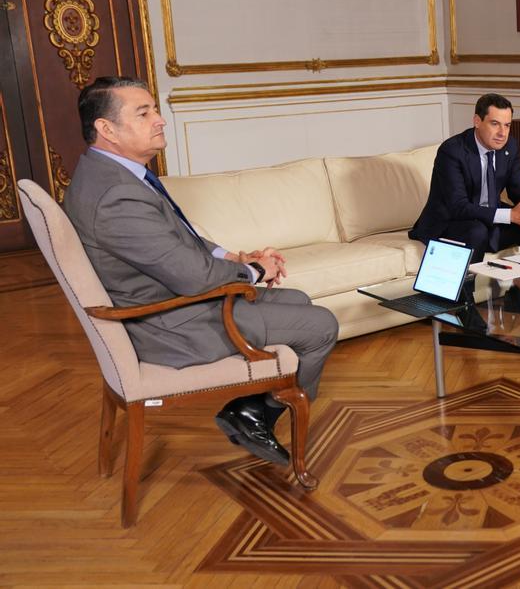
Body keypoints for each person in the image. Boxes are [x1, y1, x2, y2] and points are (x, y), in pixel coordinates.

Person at [64, 77, 338, 467]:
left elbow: (180, 239)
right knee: (321, 325)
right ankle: (259, 413)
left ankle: (251, 411)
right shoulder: (115, 196)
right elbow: (191, 276)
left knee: (299, 300)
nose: (160, 120)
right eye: (144, 113)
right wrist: (255, 269)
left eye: (155, 109)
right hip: (168, 324)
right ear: (106, 129)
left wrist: (236, 256)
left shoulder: (112, 174)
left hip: (169, 302)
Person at [409, 93, 520, 263]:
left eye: (507, 125)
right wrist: (510, 216)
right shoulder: (452, 151)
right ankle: (467, 289)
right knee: (477, 230)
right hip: (452, 223)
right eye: (495, 124)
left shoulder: (510, 146)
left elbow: (518, 187)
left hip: (490, 221)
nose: (502, 133)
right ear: (477, 121)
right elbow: (458, 207)